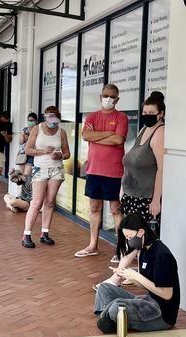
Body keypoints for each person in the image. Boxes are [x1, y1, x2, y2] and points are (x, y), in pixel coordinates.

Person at [96, 91, 166, 290]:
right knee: (133, 240)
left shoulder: (159, 132)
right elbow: (129, 163)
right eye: (144, 111)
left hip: (145, 197)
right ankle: (132, 274)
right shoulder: (144, 129)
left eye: (151, 112)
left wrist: (156, 199)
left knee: (135, 239)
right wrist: (122, 188)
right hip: (131, 194)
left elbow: (162, 169)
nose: (146, 115)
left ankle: (115, 278)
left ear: (160, 114)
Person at [94, 214, 180, 333]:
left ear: (140, 232)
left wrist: (136, 276)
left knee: (117, 308)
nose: (129, 241)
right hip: (148, 301)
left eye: (129, 237)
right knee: (104, 288)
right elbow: (144, 284)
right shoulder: (144, 250)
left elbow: (167, 294)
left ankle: (110, 317)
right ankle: (111, 318)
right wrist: (127, 275)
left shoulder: (161, 255)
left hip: (161, 313)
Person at [74, 84, 128, 258]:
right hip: (94, 170)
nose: (108, 99)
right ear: (100, 97)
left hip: (114, 171)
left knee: (115, 209)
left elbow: (118, 139)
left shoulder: (121, 117)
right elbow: (86, 136)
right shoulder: (92, 117)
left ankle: (120, 250)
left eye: (112, 97)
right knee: (94, 207)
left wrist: (98, 135)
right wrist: (109, 135)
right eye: (105, 96)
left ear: (117, 99)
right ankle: (92, 246)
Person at [20, 106, 71, 248]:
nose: (52, 121)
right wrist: (43, 151)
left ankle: (45, 232)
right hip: (40, 169)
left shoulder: (61, 132)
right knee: (36, 203)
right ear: (45, 116)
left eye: (55, 118)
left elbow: (67, 153)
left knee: (49, 202)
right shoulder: (37, 129)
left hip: (56, 169)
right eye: (50, 117)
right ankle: (26, 234)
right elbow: (27, 149)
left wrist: (60, 155)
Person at [18, 112, 38, 179]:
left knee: (26, 176)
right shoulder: (25, 129)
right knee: (21, 176)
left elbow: (36, 142)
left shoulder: (38, 130)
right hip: (23, 154)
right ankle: (23, 189)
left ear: (36, 121)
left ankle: (26, 189)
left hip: (32, 154)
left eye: (32, 120)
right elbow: (20, 142)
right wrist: (23, 135)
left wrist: (29, 137)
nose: (30, 122)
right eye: (29, 120)